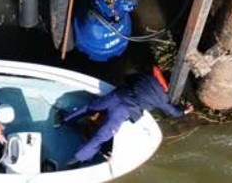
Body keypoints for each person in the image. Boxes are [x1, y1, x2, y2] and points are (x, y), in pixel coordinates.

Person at [60, 66, 193, 164]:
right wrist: (185, 111)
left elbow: (129, 78)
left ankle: (65, 119)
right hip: (123, 110)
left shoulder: (146, 77)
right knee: (101, 136)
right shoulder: (162, 99)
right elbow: (174, 113)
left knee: (89, 108)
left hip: (115, 97)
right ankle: (77, 159)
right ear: (167, 86)